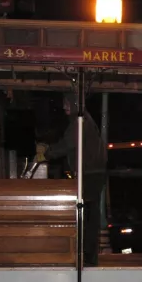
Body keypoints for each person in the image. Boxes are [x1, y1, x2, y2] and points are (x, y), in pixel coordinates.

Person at [39, 94, 108, 266]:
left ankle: (87, 257)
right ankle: (88, 256)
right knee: (88, 215)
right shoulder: (84, 121)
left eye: (67, 104)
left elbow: (67, 144)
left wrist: (47, 153)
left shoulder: (80, 122)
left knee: (87, 216)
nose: (64, 108)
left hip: (89, 174)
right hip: (92, 173)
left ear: (76, 104)